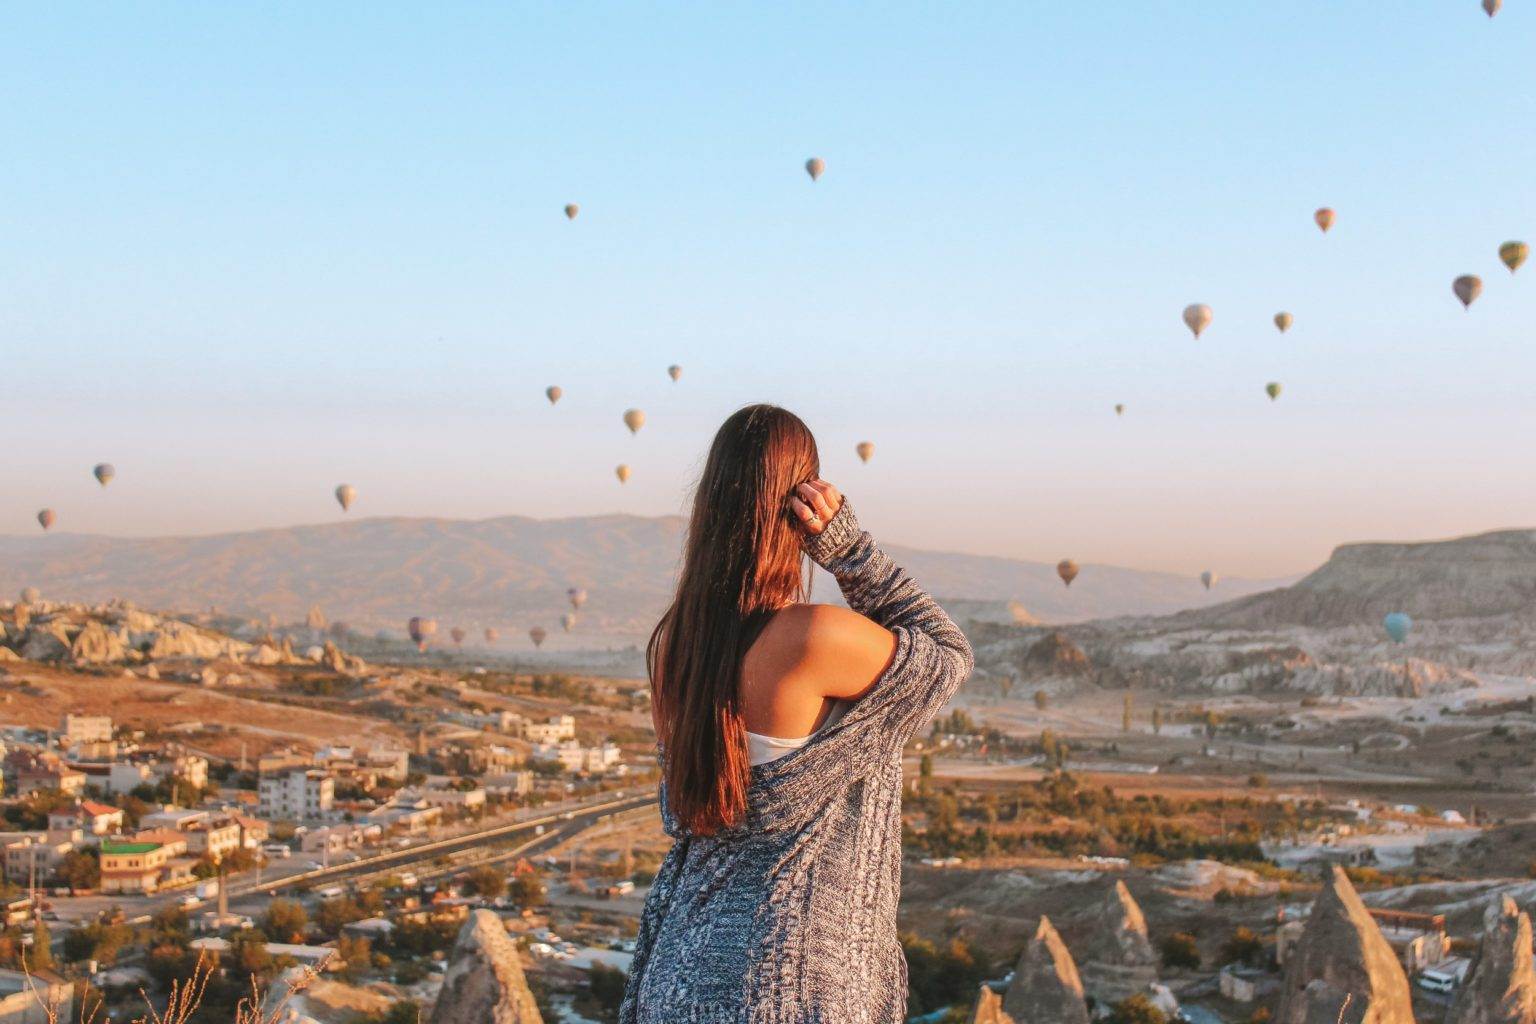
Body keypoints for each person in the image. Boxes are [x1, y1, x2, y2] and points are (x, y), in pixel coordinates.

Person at [621, 404, 974, 1022]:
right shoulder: (812, 640)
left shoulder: (678, 647)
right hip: (788, 975)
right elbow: (947, 657)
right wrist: (851, 550)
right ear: (800, 501)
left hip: (680, 970)